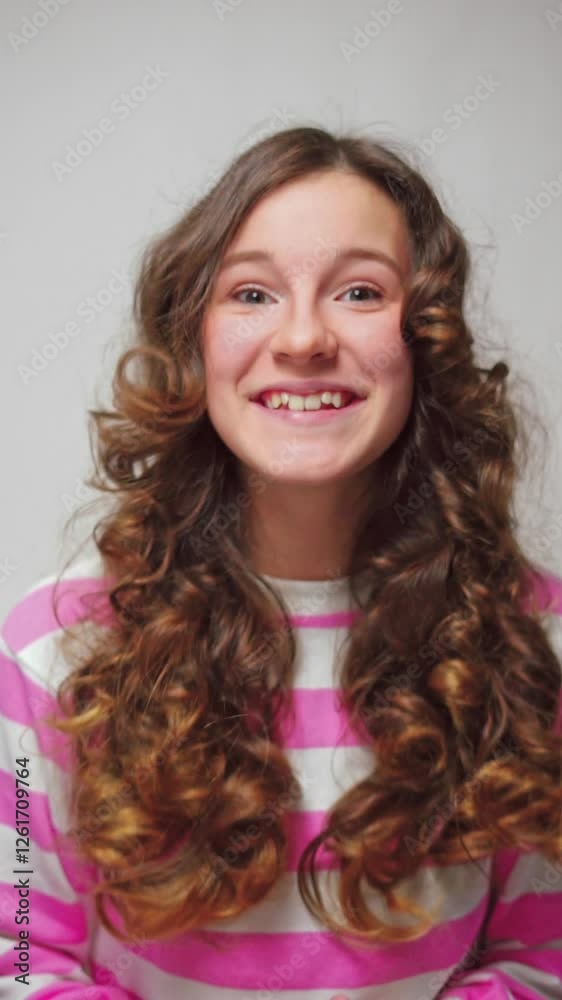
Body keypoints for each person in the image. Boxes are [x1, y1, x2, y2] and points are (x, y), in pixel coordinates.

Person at [1, 125, 561, 999]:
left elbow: (542, 956)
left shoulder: (533, 637)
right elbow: (21, 951)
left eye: (360, 292)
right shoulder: (52, 648)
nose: (303, 338)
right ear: (194, 339)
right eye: (253, 293)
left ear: (427, 338)